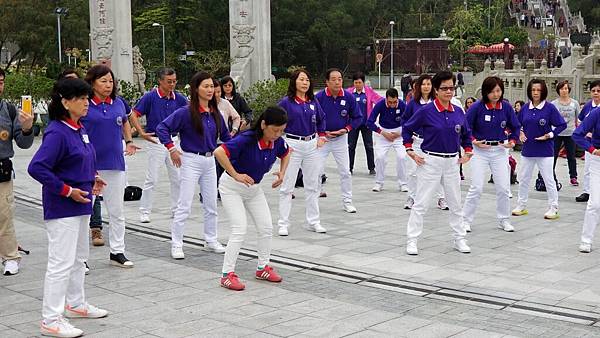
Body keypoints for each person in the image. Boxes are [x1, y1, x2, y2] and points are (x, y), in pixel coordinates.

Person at [28, 78, 108, 338]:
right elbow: (37, 167)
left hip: (82, 204)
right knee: (60, 263)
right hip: (63, 207)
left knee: (78, 258)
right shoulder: (57, 131)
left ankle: (76, 303)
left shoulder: (78, 128)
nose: (87, 102)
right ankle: (50, 319)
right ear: (65, 102)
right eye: (81, 98)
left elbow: (80, 158)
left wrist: (92, 177)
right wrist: (66, 190)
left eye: (87, 98)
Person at [156, 71, 230, 259]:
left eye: (212, 86)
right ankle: (177, 244)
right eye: (205, 86)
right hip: (190, 160)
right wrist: (172, 149)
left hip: (210, 161)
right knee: (185, 205)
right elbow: (162, 128)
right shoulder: (186, 112)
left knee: (211, 204)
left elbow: (227, 139)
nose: (210, 90)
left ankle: (211, 239)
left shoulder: (215, 113)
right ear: (196, 89)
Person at [216, 106, 291, 291]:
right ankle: (227, 274)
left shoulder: (277, 142)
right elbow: (219, 152)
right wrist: (235, 174)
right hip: (231, 187)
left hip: (253, 189)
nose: (277, 134)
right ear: (264, 124)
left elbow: (287, 152)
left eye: (281, 131)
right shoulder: (247, 139)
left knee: (266, 227)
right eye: (275, 130)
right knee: (239, 229)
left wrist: (282, 173)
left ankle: (262, 267)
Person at [402, 70, 473, 255]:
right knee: (421, 202)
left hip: (452, 163)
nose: (449, 92)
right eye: (444, 88)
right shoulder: (426, 111)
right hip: (430, 161)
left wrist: (469, 152)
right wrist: (410, 150)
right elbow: (407, 129)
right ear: (436, 89)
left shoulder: (458, 111)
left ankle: (459, 239)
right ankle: (412, 240)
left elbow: (466, 134)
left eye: (451, 88)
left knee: (456, 203)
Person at [82, 65, 140, 268]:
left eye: (110, 81)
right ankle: (81, 259)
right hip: (89, 166)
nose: (108, 85)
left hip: (115, 163)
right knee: (84, 212)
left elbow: (124, 121)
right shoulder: (85, 104)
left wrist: (129, 140)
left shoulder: (118, 103)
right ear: (92, 83)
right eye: (103, 81)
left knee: (117, 211)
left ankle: (117, 251)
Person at [461, 76, 520, 233]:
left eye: (498, 91)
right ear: (486, 92)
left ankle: (504, 219)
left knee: (503, 187)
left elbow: (515, 126)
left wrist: (513, 141)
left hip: (499, 150)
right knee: (477, 187)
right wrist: (473, 141)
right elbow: (465, 127)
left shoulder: (506, 107)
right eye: (492, 91)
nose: (496, 95)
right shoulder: (476, 108)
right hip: (480, 151)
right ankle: (465, 220)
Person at [130, 68, 188, 223]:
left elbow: (190, 112)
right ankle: (145, 210)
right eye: (169, 81)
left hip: (174, 140)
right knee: (152, 178)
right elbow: (133, 114)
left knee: (177, 177)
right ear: (160, 81)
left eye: (174, 81)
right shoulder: (150, 97)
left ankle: (176, 209)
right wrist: (141, 132)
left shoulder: (179, 98)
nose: (172, 84)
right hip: (155, 140)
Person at [277, 69, 327, 235]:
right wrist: (280, 141)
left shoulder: (312, 101)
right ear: (294, 82)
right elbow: (275, 120)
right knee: (287, 186)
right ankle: (283, 223)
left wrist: (322, 136)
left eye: (307, 80)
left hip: (311, 144)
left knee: (313, 185)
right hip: (293, 144)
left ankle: (313, 221)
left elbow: (322, 119)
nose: (305, 83)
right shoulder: (286, 102)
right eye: (301, 79)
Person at [512, 79, 566, 219]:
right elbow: (516, 124)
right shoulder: (525, 108)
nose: (535, 93)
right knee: (524, 178)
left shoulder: (549, 108)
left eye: (538, 90)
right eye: (533, 90)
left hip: (545, 151)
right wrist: (520, 133)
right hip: (528, 150)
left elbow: (561, 125)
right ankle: (521, 205)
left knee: (549, 179)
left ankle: (553, 208)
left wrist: (549, 135)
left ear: (543, 91)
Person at [0, 68, 34, 276]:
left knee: (4, 216)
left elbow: (22, 143)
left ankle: (11, 257)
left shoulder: (9, 110)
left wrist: (27, 128)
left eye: (1, 81)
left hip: (1, 171)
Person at [315, 68, 362, 213]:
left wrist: (347, 129)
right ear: (327, 82)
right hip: (322, 139)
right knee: (316, 170)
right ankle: (314, 199)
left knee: (345, 172)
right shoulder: (319, 97)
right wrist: (322, 133)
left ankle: (347, 201)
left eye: (340, 79)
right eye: (333, 79)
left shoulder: (348, 97)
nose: (337, 82)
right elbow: (312, 117)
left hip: (341, 139)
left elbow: (358, 117)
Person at [402, 74, 448, 210]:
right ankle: (412, 197)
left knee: (438, 171)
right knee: (413, 171)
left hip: (434, 143)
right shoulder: (413, 104)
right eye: (423, 84)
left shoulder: (438, 103)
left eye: (429, 84)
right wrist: (408, 139)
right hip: (417, 141)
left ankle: (441, 198)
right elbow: (405, 121)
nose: (426, 87)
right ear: (418, 86)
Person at [572, 98, 600, 253]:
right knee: (595, 203)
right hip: (598, 161)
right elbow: (577, 135)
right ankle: (586, 240)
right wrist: (592, 150)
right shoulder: (596, 113)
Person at [367, 88, 408, 192]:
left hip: (399, 133)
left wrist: (400, 133)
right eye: (390, 102)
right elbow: (370, 122)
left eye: (395, 102)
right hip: (383, 133)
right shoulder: (380, 104)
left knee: (402, 157)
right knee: (380, 157)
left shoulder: (403, 105)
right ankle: (379, 182)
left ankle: (403, 183)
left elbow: (410, 121)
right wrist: (382, 133)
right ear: (386, 99)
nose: (393, 104)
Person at [347, 71, 381, 175]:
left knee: (369, 146)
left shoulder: (368, 92)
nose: (357, 85)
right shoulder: (348, 92)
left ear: (363, 83)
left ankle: (371, 168)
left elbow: (380, 100)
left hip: (366, 124)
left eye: (359, 82)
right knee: (351, 146)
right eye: (355, 82)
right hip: (353, 124)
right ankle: (349, 167)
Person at [551, 80, 580, 186]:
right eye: (562, 88)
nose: (564, 90)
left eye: (566, 88)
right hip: (557, 133)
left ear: (569, 90)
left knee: (571, 156)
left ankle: (573, 177)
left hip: (570, 133)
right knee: (553, 155)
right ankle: (550, 174)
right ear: (558, 90)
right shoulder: (553, 104)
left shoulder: (574, 103)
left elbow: (578, 119)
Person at [576, 80, 600, 203]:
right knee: (587, 168)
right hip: (589, 144)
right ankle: (587, 191)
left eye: (598, 91)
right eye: (593, 91)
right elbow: (579, 121)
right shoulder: (588, 106)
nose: (596, 93)